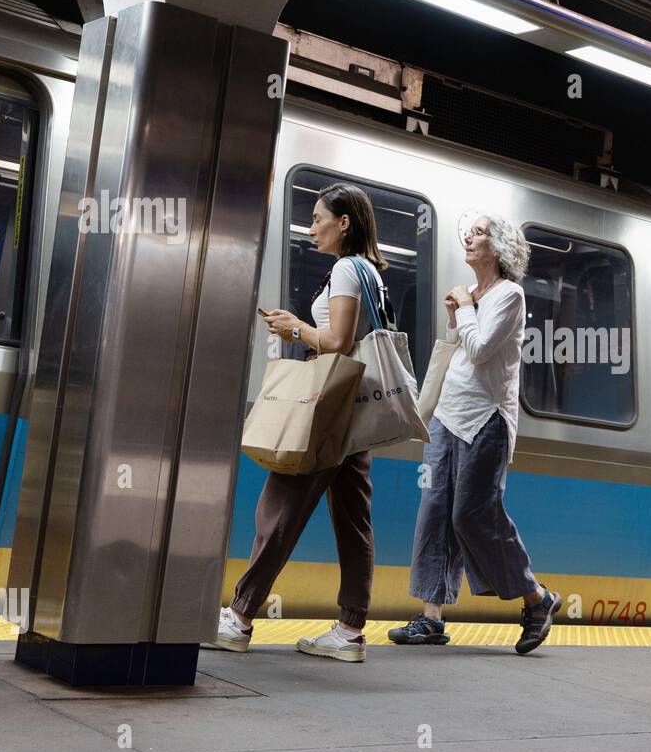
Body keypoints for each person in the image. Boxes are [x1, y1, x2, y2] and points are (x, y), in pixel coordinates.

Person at [204, 183, 387, 663]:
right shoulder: (371, 272)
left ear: (343, 223)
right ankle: (350, 628)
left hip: (327, 401)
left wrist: (294, 329)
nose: (312, 227)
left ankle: (239, 616)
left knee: (281, 501)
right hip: (352, 405)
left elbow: (341, 340)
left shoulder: (348, 268)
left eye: (318, 218)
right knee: (353, 518)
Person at [388, 215, 561, 655]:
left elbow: (482, 349)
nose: (469, 237)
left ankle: (536, 599)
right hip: (447, 414)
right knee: (435, 514)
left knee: (472, 514)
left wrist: (464, 307)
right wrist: (458, 313)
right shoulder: (474, 296)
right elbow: (460, 351)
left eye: (480, 232)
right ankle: (431, 618)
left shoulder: (510, 295)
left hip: (486, 419)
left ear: (500, 248)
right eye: (470, 232)